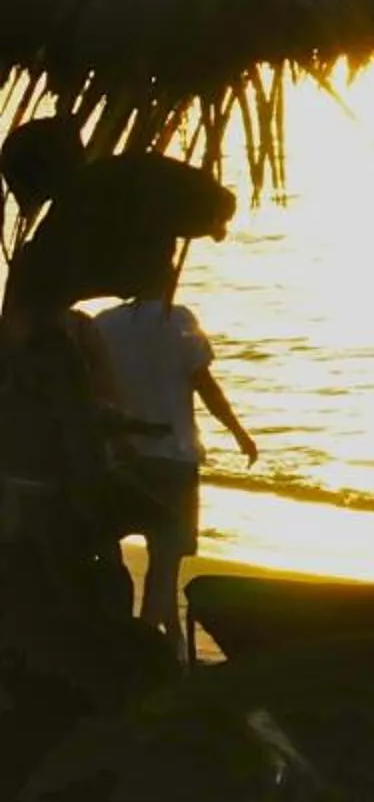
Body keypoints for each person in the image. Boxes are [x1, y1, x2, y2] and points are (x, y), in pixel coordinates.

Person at [89, 242, 255, 642]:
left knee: (115, 544)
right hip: (173, 457)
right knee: (165, 559)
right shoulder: (179, 321)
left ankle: (157, 637)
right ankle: (146, 638)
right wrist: (239, 432)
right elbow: (206, 386)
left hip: (122, 457)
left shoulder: (103, 325)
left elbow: (93, 388)